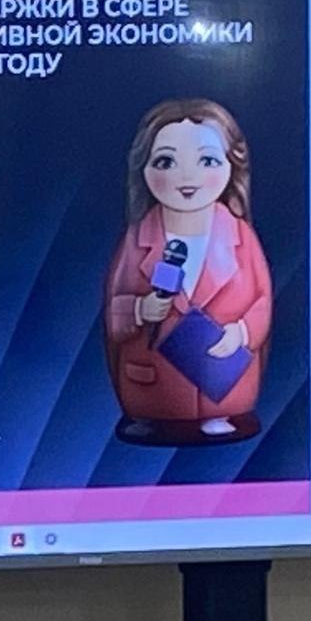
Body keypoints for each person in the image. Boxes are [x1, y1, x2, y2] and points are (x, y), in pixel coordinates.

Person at [102, 97, 276, 445]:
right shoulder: (138, 240)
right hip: (151, 390)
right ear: (144, 169)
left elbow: (262, 301)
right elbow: (113, 310)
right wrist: (139, 309)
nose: (186, 177)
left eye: (207, 160)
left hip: (226, 390)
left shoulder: (241, 238)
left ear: (231, 166)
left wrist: (241, 333)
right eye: (166, 162)